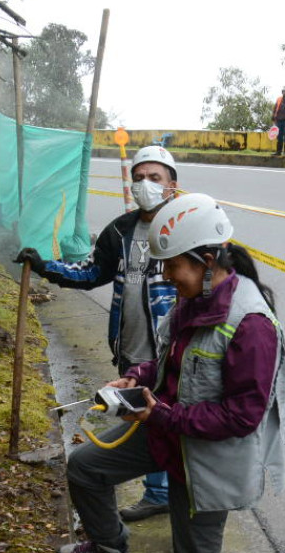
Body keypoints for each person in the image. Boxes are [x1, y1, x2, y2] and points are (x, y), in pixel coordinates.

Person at [53, 193, 285, 553]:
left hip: (204, 458)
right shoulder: (193, 299)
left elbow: (244, 415)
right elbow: (164, 360)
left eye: (172, 267)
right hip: (165, 428)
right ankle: (112, 550)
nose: (166, 278)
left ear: (207, 260)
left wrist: (165, 413)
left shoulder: (252, 324)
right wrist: (135, 378)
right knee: (86, 468)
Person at [15, 145, 178, 521]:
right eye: (138, 179)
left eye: (155, 178)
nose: (145, 185)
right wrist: (45, 267)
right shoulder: (120, 230)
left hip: (169, 354)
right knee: (142, 420)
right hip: (130, 350)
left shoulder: (182, 227)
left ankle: (177, 499)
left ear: (171, 186)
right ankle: (157, 493)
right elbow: (91, 272)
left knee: (171, 423)